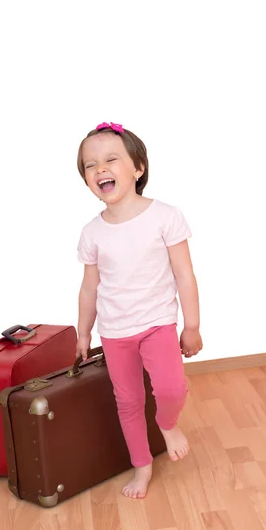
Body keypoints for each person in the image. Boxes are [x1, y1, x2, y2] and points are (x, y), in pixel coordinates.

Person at [75, 121, 202, 499]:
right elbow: (89, 288)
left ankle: (167, 423)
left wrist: (191, 326)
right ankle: (142, 466)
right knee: (128, 401)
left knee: (171, 388)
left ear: (138, 168)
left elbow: (185, 274)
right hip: (114, 332)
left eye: (111, 159)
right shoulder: (91, 233)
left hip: (157, 324)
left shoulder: (164, 215)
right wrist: (83, 332)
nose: (100, 169)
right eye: (89, 165)